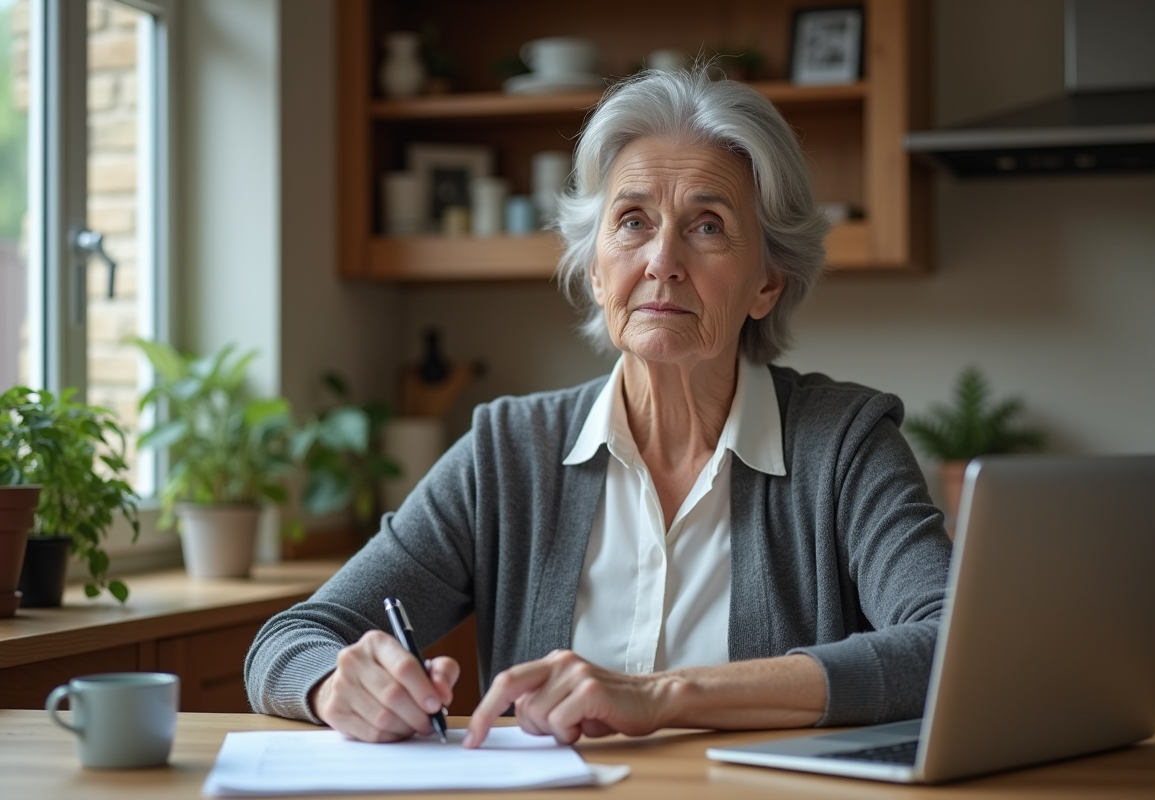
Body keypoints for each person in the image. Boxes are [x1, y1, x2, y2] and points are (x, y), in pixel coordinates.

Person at [245, 67, 951, 748]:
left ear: (767, 283)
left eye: (707, 226)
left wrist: (666, 694)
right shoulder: (508, 452)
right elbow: (288, 642)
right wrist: (337, 686)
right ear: (594, 267)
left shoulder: (845, 445)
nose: (661, 261)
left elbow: (949, 642)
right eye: (633, 221)